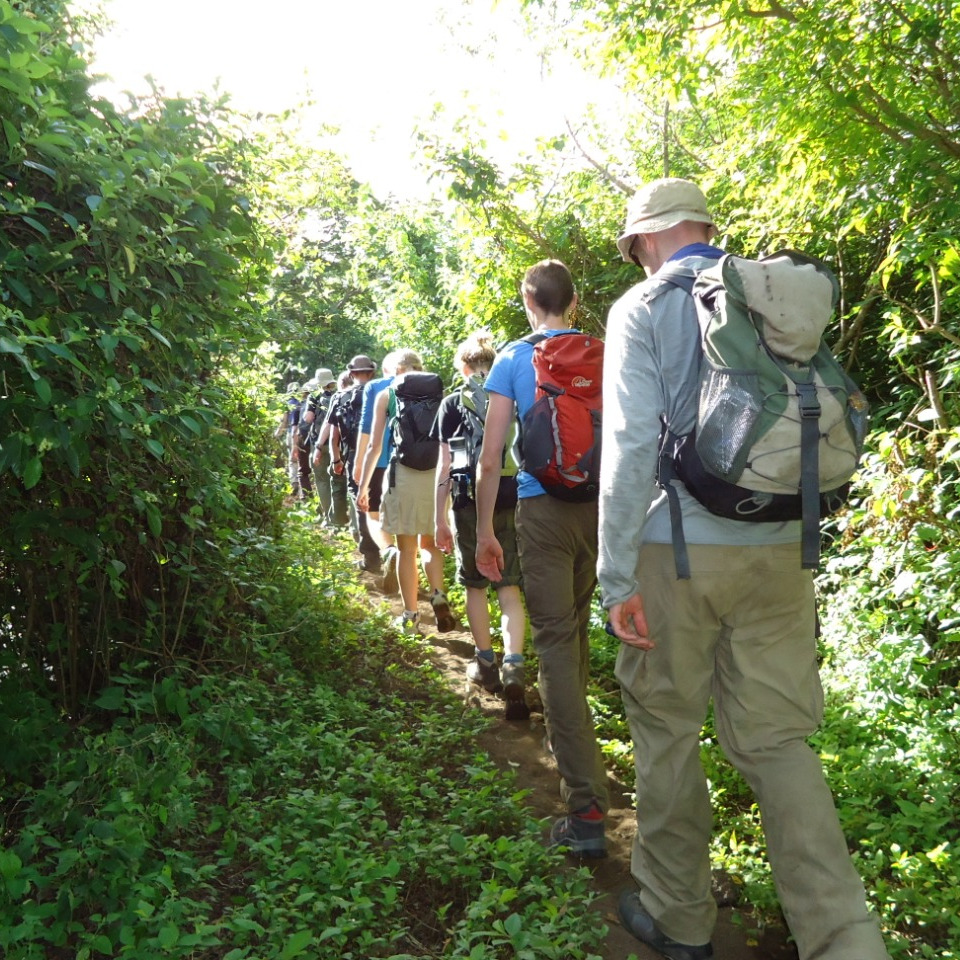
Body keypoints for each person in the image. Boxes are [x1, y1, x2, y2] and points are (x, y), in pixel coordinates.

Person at [599, 177, 890, 960]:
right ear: (704, 227)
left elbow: (628, 448)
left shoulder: (645, 307)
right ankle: (845, 939)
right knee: (777, 741)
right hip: (783, 550)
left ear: (646, 239)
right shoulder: (770, 293)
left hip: (678, 554)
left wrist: (616, 577)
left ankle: (679, 916)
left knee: (666, 730)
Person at [475, 259, 610, 857]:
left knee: (554, 638)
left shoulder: (510, 359)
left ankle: (584, 809)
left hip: (542, 511)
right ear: (574, 303)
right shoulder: (604, 351)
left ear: (529, 299)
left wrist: (485, 529)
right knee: (574, 628)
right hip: (601, 509)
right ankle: (571, 737)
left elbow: (491, 455)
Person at [432, 330, 527, 706]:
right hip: (510, 496)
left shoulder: (453, 404)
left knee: (475, 585)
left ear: (465, 366)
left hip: (469, 502)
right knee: (509, 587)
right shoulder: (512, 397)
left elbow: (446, 464)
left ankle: (486, 663)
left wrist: (438, 517)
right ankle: (515, 666)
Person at [357, 349, 455, 635]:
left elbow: (375, 446)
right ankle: (438, 595)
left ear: (397, 370)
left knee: (406, 549)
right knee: (431, 545)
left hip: (403, 476)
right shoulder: (441, 395)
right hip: (436, 476)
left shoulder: (387, 395)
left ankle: (411, 616)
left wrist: (363, 486)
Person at [353, 353, 400, 592]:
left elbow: (366, 427)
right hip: (411, 463)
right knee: (403, 519)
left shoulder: (375, 387)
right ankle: (414, 577)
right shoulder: (426, 386)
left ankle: (388, 550)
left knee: (372, 514)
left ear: (383, 370)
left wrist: (359, 462)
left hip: (379, 462)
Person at [330, 355, 382, 568]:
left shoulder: (340, 397)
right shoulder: (384, 394)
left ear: (351, 373)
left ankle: (372, 558)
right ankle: (394, 550)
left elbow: (334, 435)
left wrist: (336, 460)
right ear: (372, 373)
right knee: (383, 503)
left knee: (363, 505)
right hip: (383, 455)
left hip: (354, 456)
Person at [303, 367, 338, 521]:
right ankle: (339, 516)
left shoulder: (314, 396)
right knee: (337, 479)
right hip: (337, 444)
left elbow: (308, 418)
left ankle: (328, 518)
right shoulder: (340, 395)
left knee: (322, 480)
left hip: (319, 443)